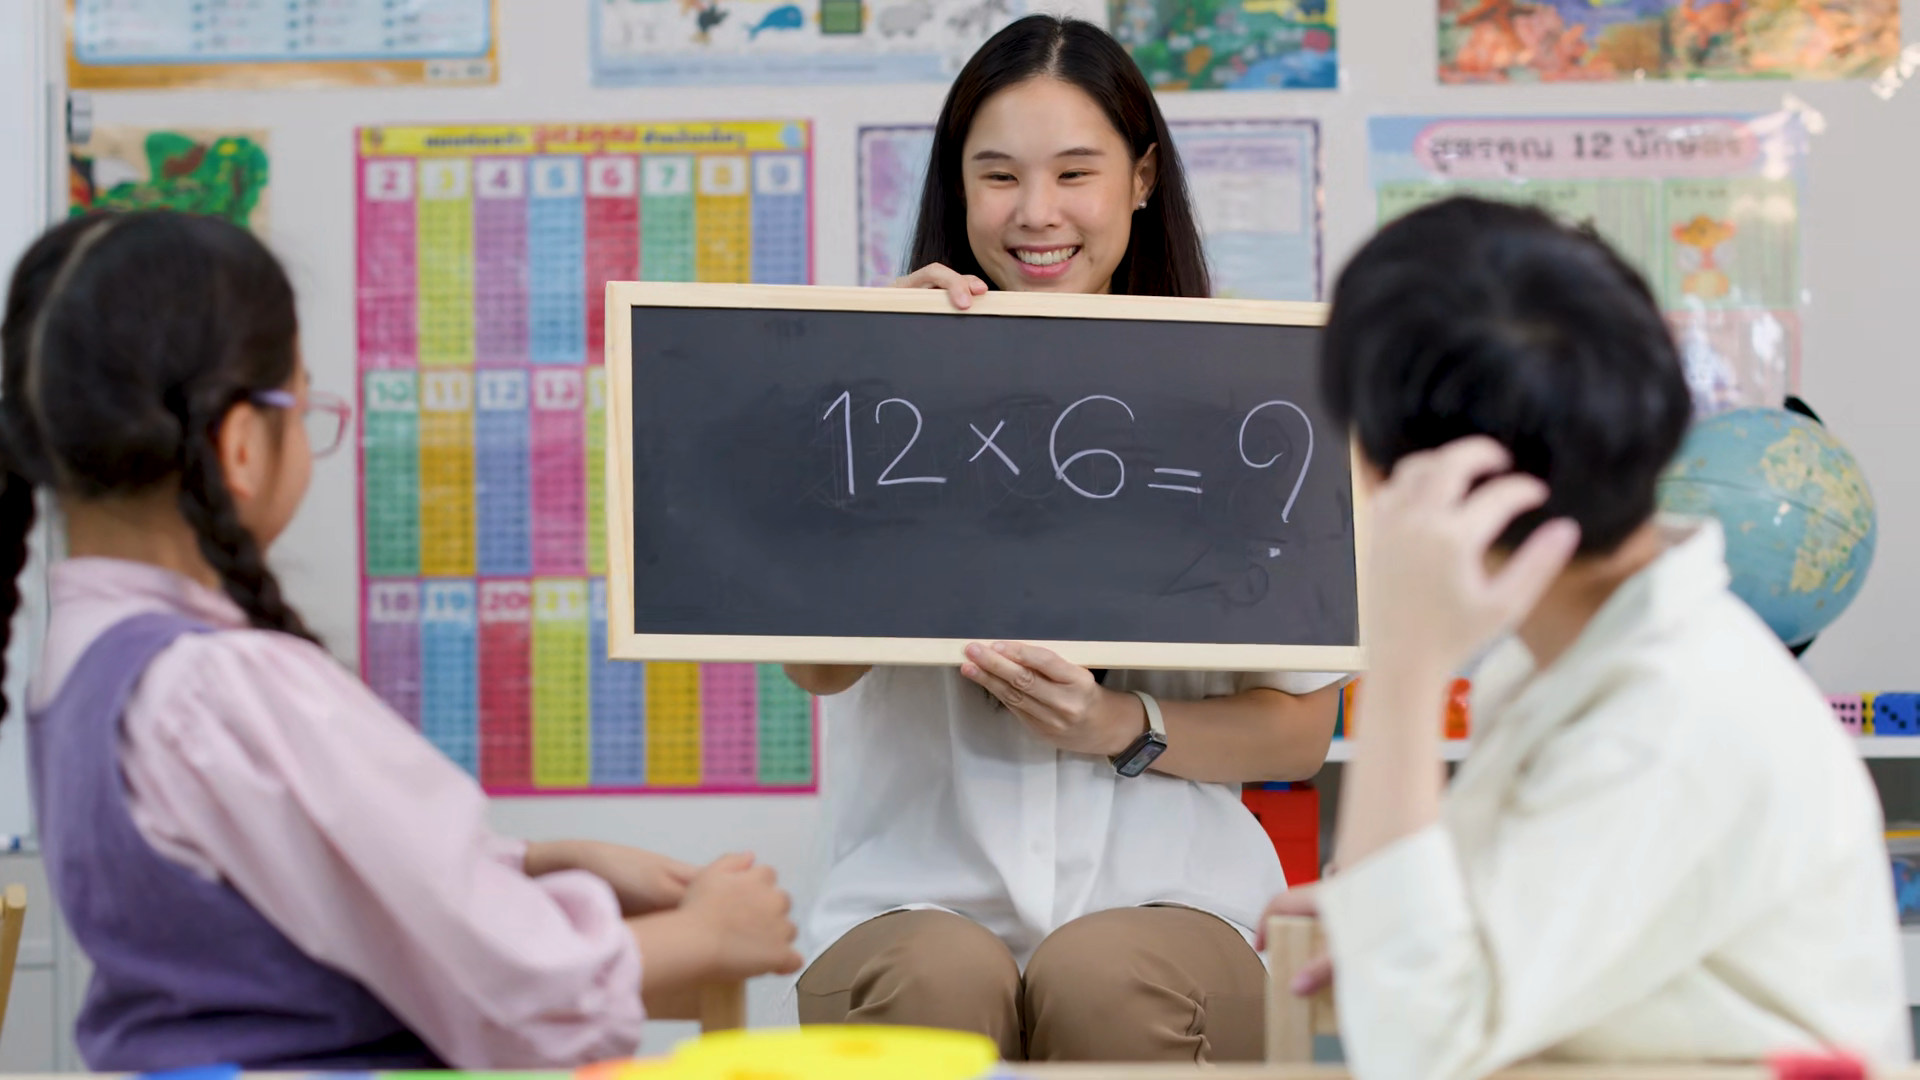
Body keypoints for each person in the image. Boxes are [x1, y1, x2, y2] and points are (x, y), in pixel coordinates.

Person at [2, 210, 803, 1072]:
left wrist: (542, 862)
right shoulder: (216, 685)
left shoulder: (86, 657)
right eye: (303, 406)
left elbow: (286, 876)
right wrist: (710, 932)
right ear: (240, 447)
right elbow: (512, 988)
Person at [786, 14, 1344, 1064]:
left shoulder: (1254, 399)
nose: (1036, 213)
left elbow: (1299, 735)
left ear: (1141, 180)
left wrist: (1119, 724)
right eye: (998, 176)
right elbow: (817, 670)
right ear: (959, 189)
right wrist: (868, 388)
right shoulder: (872, 391)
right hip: (911, 903)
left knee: (1105, 978)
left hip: (1179, 909)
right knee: (937, 977)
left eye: (1075, 173)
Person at [1263, 196, 1909, 1078]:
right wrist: (1401, 918)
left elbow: (1417, 1051)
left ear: (1406, 478)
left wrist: (1406, 666)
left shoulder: (1669, 718)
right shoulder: (1578, 656)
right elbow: (1519, 924)